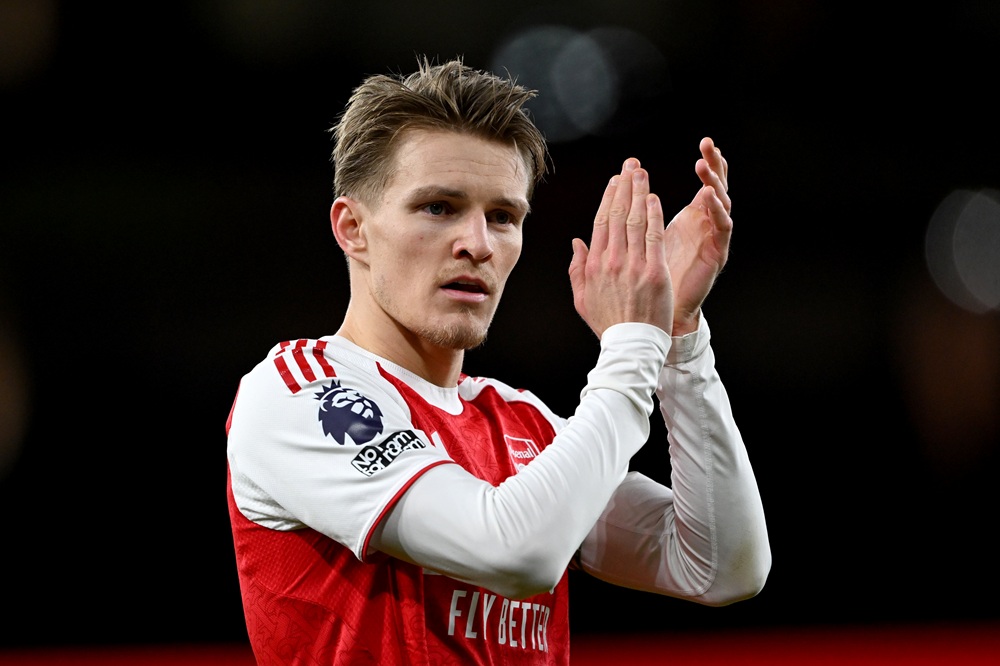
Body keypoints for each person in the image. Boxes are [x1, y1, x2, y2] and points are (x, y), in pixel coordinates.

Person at [225, 55, 770, 665]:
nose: (478, 244)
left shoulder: (522, 423)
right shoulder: (299, 392)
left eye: (503, 217)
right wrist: (631, 344)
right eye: (438, 207)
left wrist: (676, 339)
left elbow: (720, 566)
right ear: (353, 228)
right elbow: (515, 553)